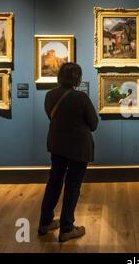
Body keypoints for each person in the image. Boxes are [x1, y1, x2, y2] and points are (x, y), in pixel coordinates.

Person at [38, 63, 98, 243]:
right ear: (77, 78)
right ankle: (66, 228)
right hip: (78, 148)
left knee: (53, 183)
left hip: (57, 145)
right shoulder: (81, 97)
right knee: (72, 186)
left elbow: (51, 115)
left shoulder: (50, 95)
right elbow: (94, 124)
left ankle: (45, 223)